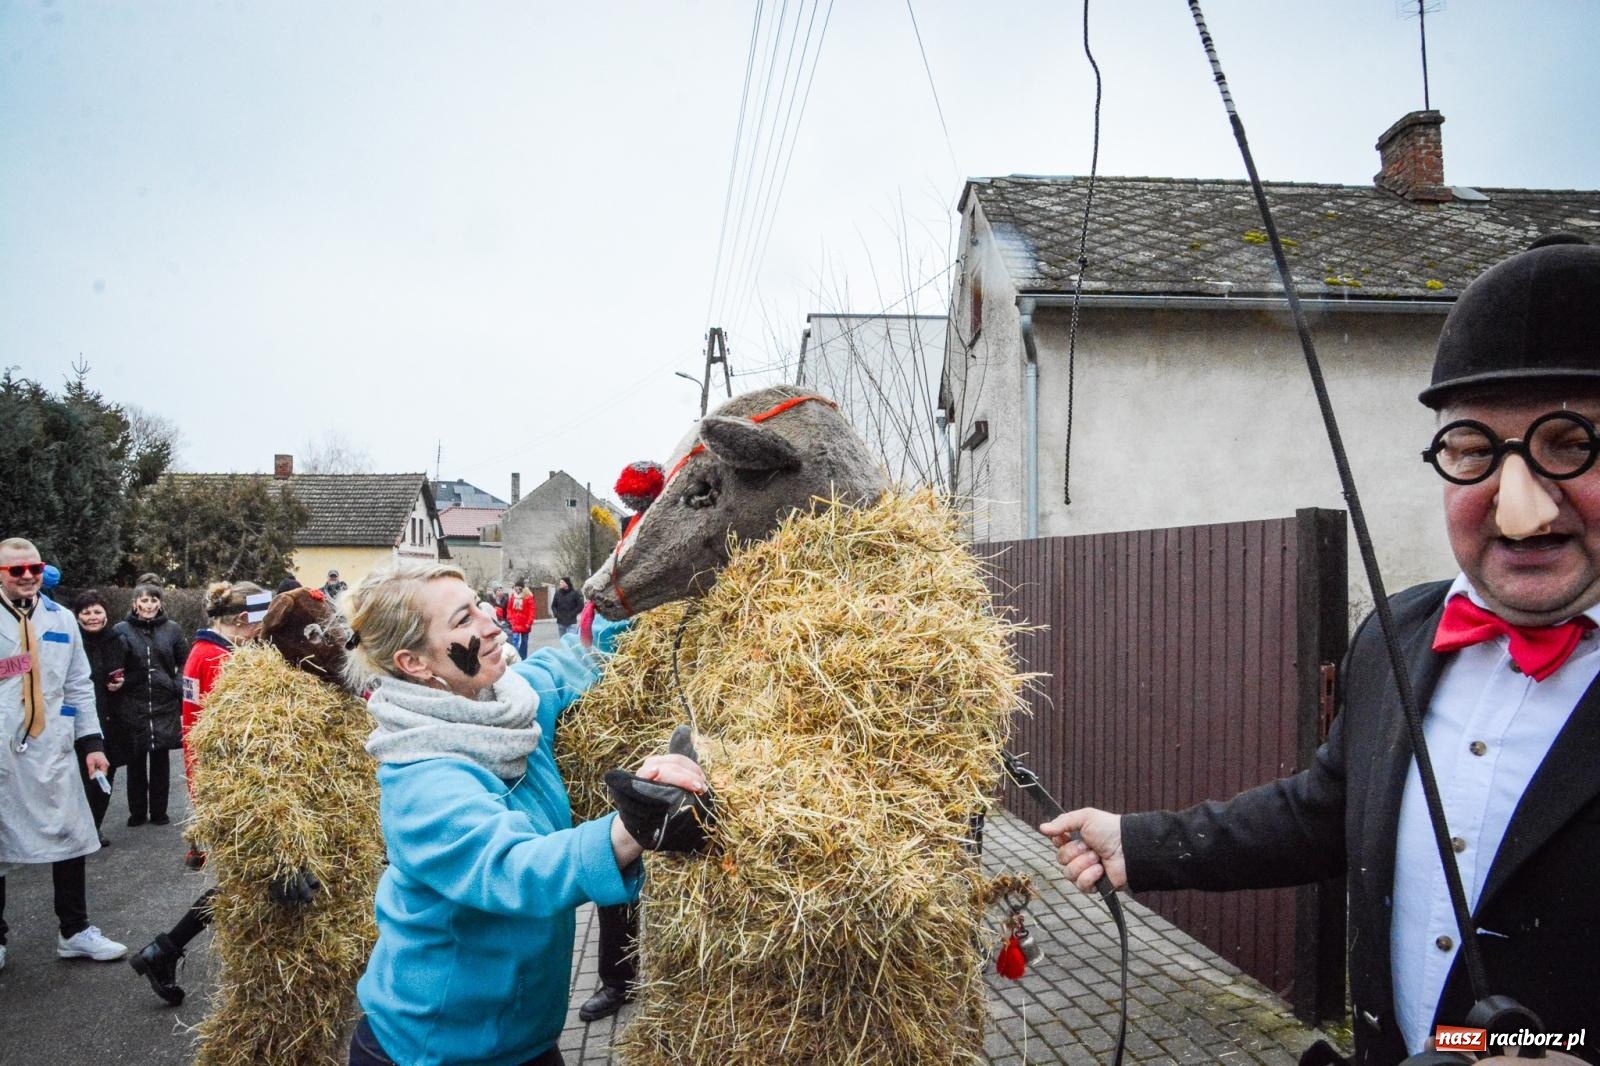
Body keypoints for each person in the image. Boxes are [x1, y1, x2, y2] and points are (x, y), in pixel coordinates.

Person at [1041, 238, 1600, 1066]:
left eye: (1569, 444)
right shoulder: (1398, 635)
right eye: (1475, 453)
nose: (1518, 509)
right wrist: (1142, 843)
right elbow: (1327, 808)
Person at [344, 560, 711, 1066]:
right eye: (462, 621)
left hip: (523, 1036)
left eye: (478, 606)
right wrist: (633, 829)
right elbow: (514, 869)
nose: (490, 624)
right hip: (438, 1047)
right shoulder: (422, 779)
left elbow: (572, 659)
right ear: (415, 663)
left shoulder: (505, 706)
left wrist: (633, 595)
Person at [128, 580, 271, 1005]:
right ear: (244, 620)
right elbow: (215, 735)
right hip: (229, 786)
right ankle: (165, 950)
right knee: (248, 883)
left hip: (222, 783)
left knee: (247, 882)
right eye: (262, 621)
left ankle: (165, 951)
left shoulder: (209, 652)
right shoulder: (218, 659)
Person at [0, 537, 127, 968]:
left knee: (72, 835)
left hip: (52, 746)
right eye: (16, 570)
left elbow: (78, 683)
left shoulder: (61, 618)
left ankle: (74, 930)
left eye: (33, 568)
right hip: (1, 748)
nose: (27, 576)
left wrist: (91, 743)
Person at [112, 582, 189, 827]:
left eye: (153, 601)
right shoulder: (121, 630)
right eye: (144, 601)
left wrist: (175, 685)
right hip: (133, 703)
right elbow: (114, 663)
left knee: (160, 759)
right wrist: (120, 682)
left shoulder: (173, 630)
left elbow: (185, 662)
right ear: (135, 603)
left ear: (160, 603)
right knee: (135, 759)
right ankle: (137, 812)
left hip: (163, 701)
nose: (149, 606)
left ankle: (159, 811)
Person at [72, 590, 131, 846]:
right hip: (81, 721)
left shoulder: (118, 639)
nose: (92, 617)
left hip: (113, 719)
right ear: (77, 617)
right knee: (80, 780)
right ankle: (78, 830)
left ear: (106, 615)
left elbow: (137, 671)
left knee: (106, 776)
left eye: (97, 611)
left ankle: (95, 826)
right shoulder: (73, 641)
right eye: (86, 612)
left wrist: (124, 682)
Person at [504, 580, 536, 657]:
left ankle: (523, 657)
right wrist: (510, 618)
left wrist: (529, 622)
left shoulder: (528, 597)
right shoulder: (513, 596)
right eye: (516, 587)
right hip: (515, 622)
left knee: (524, 641)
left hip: (525, 623)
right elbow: (509, 608)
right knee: (515, 640)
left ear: (522, 588)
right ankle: (516, 656)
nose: (517, 588)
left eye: (518, 587)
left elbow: (532, 611)